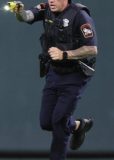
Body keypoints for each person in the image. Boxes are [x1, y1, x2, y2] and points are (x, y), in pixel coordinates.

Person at [12, 0, 98, 159]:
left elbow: (92, 49)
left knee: (59, 123)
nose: (51, 0)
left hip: (75, 74)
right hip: (54, 72)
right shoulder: (47, 8)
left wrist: (65, 54)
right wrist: (19, 12)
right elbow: (27, 16)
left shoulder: (80, 16)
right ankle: (78, 126)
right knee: (46, 122)